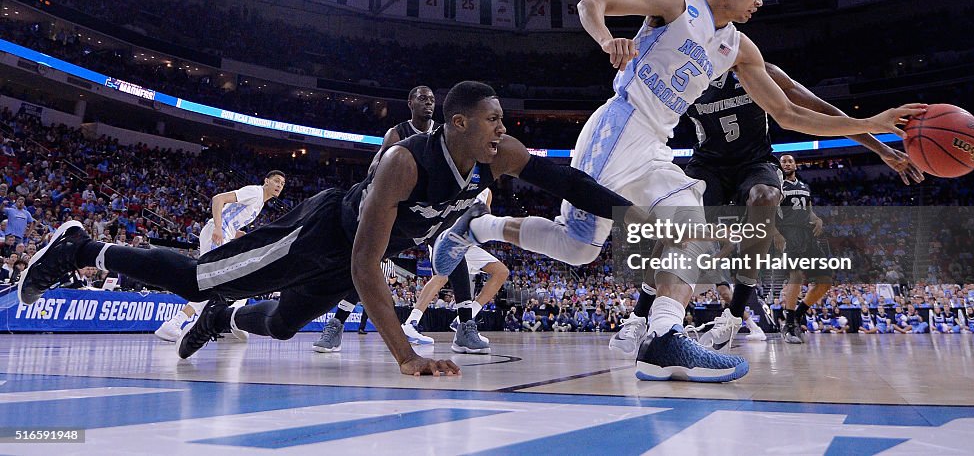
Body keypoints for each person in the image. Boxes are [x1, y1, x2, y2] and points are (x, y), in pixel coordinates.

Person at [438, 0, 924, 381]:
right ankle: (479, 226)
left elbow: (790, 114)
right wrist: (610, 41)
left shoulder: (738, 48)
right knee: (580, 249)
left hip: (654, 145)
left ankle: (664, 335)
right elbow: (592, 4)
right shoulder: (676, 2)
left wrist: (874, 124)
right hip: (618, 125)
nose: (760, 0)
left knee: (692, 222)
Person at [19, 82, 670, 377]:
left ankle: (223, 320)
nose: (505, 129)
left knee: (275, 325)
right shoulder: (405, 165)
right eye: (494, 118)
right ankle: (83, 246)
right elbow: (364, 268)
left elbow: (566, 183)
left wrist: (623, 209)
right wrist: (407, 355)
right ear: (459, 123)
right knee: (196, 278)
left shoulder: (496, 156)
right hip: (322, 235)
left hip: (356, 256)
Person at [622, 63, 923, 353]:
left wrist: (880, 148)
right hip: (707, 165)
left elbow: (821, 109)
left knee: (765, 197)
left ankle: (733, 316)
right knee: (679, 222)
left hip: (755, 163)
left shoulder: (758, 71)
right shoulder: (684, 78)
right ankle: (638, 316)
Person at [313, 86, 438, 352]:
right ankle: (336, 324)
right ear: (410, 103)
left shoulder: (441, 135)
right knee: (365, 262)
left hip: (425, 212)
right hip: (393, 210)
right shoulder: (398, 133)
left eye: (431, 99)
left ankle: (465, 323)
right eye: (422, 98)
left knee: (454, 257)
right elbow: (376, 167)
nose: (428, 102)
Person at [154, 171, 286, 342]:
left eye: (282, 184)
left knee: (223, 282)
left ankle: (179, 323)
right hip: (217, 234)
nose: (279, 185)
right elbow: (218, 199)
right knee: (221, 282)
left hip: (223, 235)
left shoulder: (259, 202)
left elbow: (232, 223)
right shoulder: (255, 192)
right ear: (266, 181)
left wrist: (245, 236)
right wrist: (218, 227)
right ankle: (178, 323)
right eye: (276, 181)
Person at [398, 189, 509, 350]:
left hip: (467, 243)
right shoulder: (465, 181)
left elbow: (484, 222)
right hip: (447, 237)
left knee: (501, 272)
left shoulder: (488, 193)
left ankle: (463, 320)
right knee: (441, 277)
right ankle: (410, 323)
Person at [776, 154, 833, 344]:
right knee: (797, 275)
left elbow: (809, 211)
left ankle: (798, 314)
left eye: (790, 161)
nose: (786, 163)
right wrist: (776, 235)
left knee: (825, 282)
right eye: (783, 161)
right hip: (788, 234)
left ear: (795, 166)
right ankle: (789, 324)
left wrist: (818, 219)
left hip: (808, 236)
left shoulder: (803, 186)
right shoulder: (776, 186)